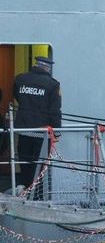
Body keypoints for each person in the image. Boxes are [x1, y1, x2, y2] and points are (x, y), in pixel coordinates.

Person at [12, 56, 62, 189]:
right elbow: (55, 110)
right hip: (41, 133)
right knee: (39, 166)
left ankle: (24, 191)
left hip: (23, 131)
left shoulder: (20, 79)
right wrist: (57, 131)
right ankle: (36, 196)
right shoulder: (53, 85)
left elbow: (17, 96)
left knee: (25, 163)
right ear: (47, 68)